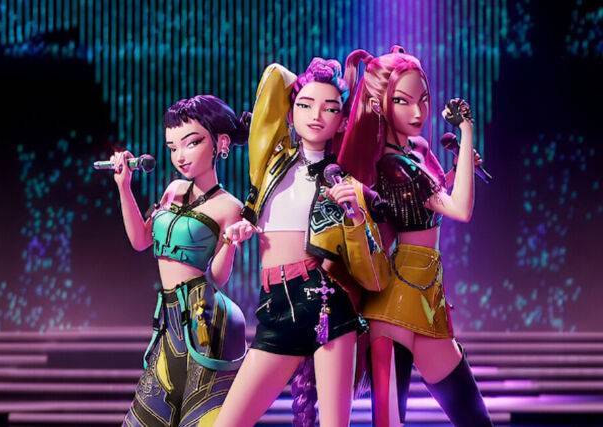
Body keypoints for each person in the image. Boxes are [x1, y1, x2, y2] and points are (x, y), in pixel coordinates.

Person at [214, 58, 389, 427]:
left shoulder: (344, 181)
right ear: (290, 112)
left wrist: (356, 217)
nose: (316, 115)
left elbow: (372, 268)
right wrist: (318, 76)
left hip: (326, 303)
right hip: (275, 306)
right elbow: (274, 77)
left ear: (343, 120)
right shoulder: (270, 164)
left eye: (330, 108)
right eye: (305, 105)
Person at [339, 45, 492, 427]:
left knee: (474, 419)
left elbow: (435, 197)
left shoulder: (417, 148)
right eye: (403, 101)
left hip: (425, 294)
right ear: (379, 104)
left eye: (423, 99)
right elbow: (460, 210)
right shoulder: (394, 164)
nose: (418, 112)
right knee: (390, 422)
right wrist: (467, 132)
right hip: (399, 300)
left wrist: (459, 167)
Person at [114, 95, 249, 426]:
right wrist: (124, 187)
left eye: (191, 143)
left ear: (221, 143)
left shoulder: (229, 206)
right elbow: (141, 240)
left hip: (204, 318)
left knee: (200, 417)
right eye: (173, 147)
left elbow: (217, 276)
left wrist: (229, 243)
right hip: (169, 318)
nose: (180, 156)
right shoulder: (173, 189)